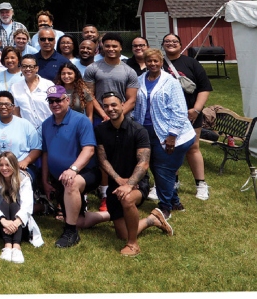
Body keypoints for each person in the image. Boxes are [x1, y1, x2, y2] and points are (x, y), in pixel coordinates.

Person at [94, 92, 174, 256]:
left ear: (123, 104)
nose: (110, 109)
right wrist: (118, 180)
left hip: (138, 183)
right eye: (106, 106)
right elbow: (102, 159)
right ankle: (153, 219)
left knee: (127, 198)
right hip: (115, 184)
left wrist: (129, 184)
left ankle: (133, 245)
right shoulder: (101, 130)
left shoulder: (138, 130)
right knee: (121, 233)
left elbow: (143, 162)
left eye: (114, 104)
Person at [134, 47, 197, 217]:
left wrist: (172, 135)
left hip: (171, 135)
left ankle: (165, 206)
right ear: (145, 63)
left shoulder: (171, 82)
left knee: (164, 169)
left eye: (156, 61)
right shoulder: (139, 80)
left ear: (161, 62)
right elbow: (136, 105)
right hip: (147, 132)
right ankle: (174, 201)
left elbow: (179, 111)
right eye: (149, 61)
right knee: (156, 168)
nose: (152, 64)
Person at [41, 86, 105, 248]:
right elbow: (46, 154)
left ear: (67, 100)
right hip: (60, 179)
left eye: (59, 100)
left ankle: (70, 233)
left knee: (72, 183)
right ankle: (112, 215)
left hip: (86, 173)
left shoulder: (80, 120)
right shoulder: (46, 124)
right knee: (79, 220)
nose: (55, 104)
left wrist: (73, 169)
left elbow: (89, 149)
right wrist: (45, 181)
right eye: (51, 101)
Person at [161, 33, 212, 201]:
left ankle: (201, 184)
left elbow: (204, 88)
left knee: (193, 147)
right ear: (163, 45)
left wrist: (196, 110)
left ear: (181, 45)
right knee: (170, 149)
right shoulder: (157, 63)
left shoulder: (192, 63)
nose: (171, 44)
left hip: (190, 114)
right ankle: (173, 182)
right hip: (167, 115)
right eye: (167, 41)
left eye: (174, 41)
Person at [0, 151, 38, 263]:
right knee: (4, 202)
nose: (4, 168)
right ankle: (8, 245)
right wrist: (3, 221)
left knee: (14, 204)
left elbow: (27, 204)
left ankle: (17, 247)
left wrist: (16, 223)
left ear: (14, 165)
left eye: (7, 165)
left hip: (20, 225)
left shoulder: (24, 179)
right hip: (0, 225)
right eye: (1, 165)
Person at [0, 91, 43, 175]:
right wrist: (5, 166)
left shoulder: (25, 124)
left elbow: (37, 148)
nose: (3, 107)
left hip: (21, 169)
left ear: (13, 107)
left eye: (7, 104)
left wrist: (25, 161)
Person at [82, 33, 139, 115]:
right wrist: (104, 115)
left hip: (122, 117)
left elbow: (132, 100)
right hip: (99, 118)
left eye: (114, 46)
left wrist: (117, 116)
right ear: (103, 47)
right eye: (107, 46)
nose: (111, 49)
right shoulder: (92, 68)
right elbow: (89, 96)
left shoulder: (129, 71)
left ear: (120, 48)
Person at [11, 56, 54, 127]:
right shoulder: (15, 87)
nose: (27, 69)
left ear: (37, 68)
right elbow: (16, 113)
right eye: (24, 66)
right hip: (28, 130)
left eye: (31, 66)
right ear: (21, 68)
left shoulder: (49, 85)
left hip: (49, 128)